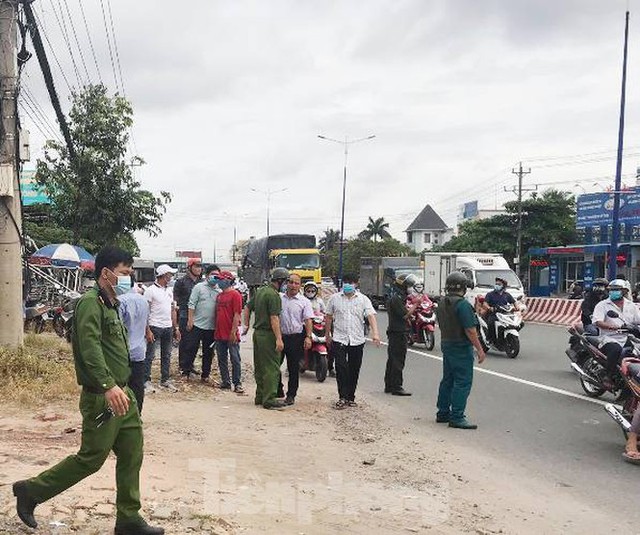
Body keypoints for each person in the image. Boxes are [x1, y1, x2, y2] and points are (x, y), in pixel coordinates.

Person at [12, 246, 164, 535]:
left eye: (129, 274)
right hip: (103, 396)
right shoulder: (90, 304)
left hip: (124, 394)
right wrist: (107, 386)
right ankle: (31, 491)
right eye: (123, 273)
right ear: (106, 273)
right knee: (91, 459)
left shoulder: (111, 303)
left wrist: (123, 387)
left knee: (133, 452)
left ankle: (129, 519)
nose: (127, 279)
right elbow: (89, 348)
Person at [435, 271, 486, 430]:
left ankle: (443, 412)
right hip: (460, 346)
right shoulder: (462, 304)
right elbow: (470, 330)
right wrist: (479, 349)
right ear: (463, 287)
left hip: (447, 343)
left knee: (448, 380)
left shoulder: (442, 302)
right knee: (462, 382)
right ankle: (457, 416)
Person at [325, 274, 380, 409]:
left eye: (351, 282)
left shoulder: (363, 300)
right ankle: (342, 397)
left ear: (356, 284)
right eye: (346, 282)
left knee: (354, 369)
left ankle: (350, 397)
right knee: (341, 367)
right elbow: (329, 317)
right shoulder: (334, 299)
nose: (348, 285)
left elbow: (371, 316)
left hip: (357, 339)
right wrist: (327, 334)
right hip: (339, 339)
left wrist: (375, 334)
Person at [243, 267, 288, 410]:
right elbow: (274, 318)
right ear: (280, 281)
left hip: (257, 333)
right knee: (272, 368)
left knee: (260, 366)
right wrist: (279, 338)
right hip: (268, 334)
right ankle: (269, 399)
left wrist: (246, 325)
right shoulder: (273, 295)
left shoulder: (261, 291)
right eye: (286, 281)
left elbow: (247, 307)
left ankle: (260, 396)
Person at [592, 279, 640, 386]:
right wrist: (611, 326)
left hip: (626, 337)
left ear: (624, 291)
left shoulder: (631, 306)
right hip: (608, 338)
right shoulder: (602, 305)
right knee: (615, 349)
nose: (613, 292)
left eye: (616, 290)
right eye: (611, 290)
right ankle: (608, 376)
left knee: (636, 353)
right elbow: (597, 321)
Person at [279, 273, 315, 405]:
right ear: (286, 283)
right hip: (280, 337)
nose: (293, 285)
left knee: (293, 368)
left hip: (296, 338)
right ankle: (278, 389)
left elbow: (308, 320)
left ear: (300, 285)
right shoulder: (279, 298)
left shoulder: (304, 302)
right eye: (291, 282)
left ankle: (291, 395)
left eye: (296, 283)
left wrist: (308, 337)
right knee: (275, 365)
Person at [144, 264, 180, 393]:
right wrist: (147, 329)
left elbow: (173, 310)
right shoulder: (150, 291)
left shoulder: (169, 290)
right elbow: (145, 312)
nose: (171, 277)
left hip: (167, 326)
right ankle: (146, 380)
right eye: (170, 275)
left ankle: (165, 379)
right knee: (150, 354)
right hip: (154, 325)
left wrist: (175, 328)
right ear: (164, 275)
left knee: (167, 354)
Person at [182, 265, 220, 383]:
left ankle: (205, 374)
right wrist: (190, 319)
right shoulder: (199, 287)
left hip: (211, 327)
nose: (215, 277)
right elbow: (191, 304)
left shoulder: (219, 290)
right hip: (197, 324)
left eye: (217, 275)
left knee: (208, 352)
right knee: (191, 348)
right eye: (213, 274)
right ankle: (186, 371)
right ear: (207, 275)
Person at [119, 274, 150, 413]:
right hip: (139, 351)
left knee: (120, 388)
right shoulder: (143, 300)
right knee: (137, 387)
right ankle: (137, 416)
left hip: (121, 353)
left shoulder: (119, 301)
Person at [384, 273, 418, 396]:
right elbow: (405, 315)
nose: (410, 288)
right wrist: (416, 304)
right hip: (398, 332)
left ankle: (389, 385)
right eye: (409, 285)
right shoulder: (396, 298)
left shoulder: (397, 296)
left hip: (395, 330)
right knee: (398, 360)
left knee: (392, 359)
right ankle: (397, 386)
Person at [173, 258, 204, 377]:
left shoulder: (201, 282)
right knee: (185, 341)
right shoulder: (181, 282)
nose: (198, 269)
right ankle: (183, 366)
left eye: (200, 266)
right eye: (196, 266)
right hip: (185, 314)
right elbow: (176, 300)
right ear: (190, 267)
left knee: (194, 343)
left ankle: (190, 365)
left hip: (198, 315)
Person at [214, 271, 244, 393]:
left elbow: (237, 314)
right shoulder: (219, 296)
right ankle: (225, 381)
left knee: (235, 359)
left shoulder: (235, 295)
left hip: (231, 333)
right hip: (219, 333)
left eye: (221, 279)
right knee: (221, 359)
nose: (219, 282)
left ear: (228, 280)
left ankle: (237, 383)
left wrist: (233, 332)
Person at [482, 277, 517, 341]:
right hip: (493, 314)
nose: (497, 285)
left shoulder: (507, 295)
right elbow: (485, 303)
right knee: (491, 323)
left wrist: (517, 307)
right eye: (496, 284)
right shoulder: (490, 294)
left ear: (503, 286)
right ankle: (489, 339)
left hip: (504, 314)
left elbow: (514, 302)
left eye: (499, 284)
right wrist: (489, 308)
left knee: (516, 324)